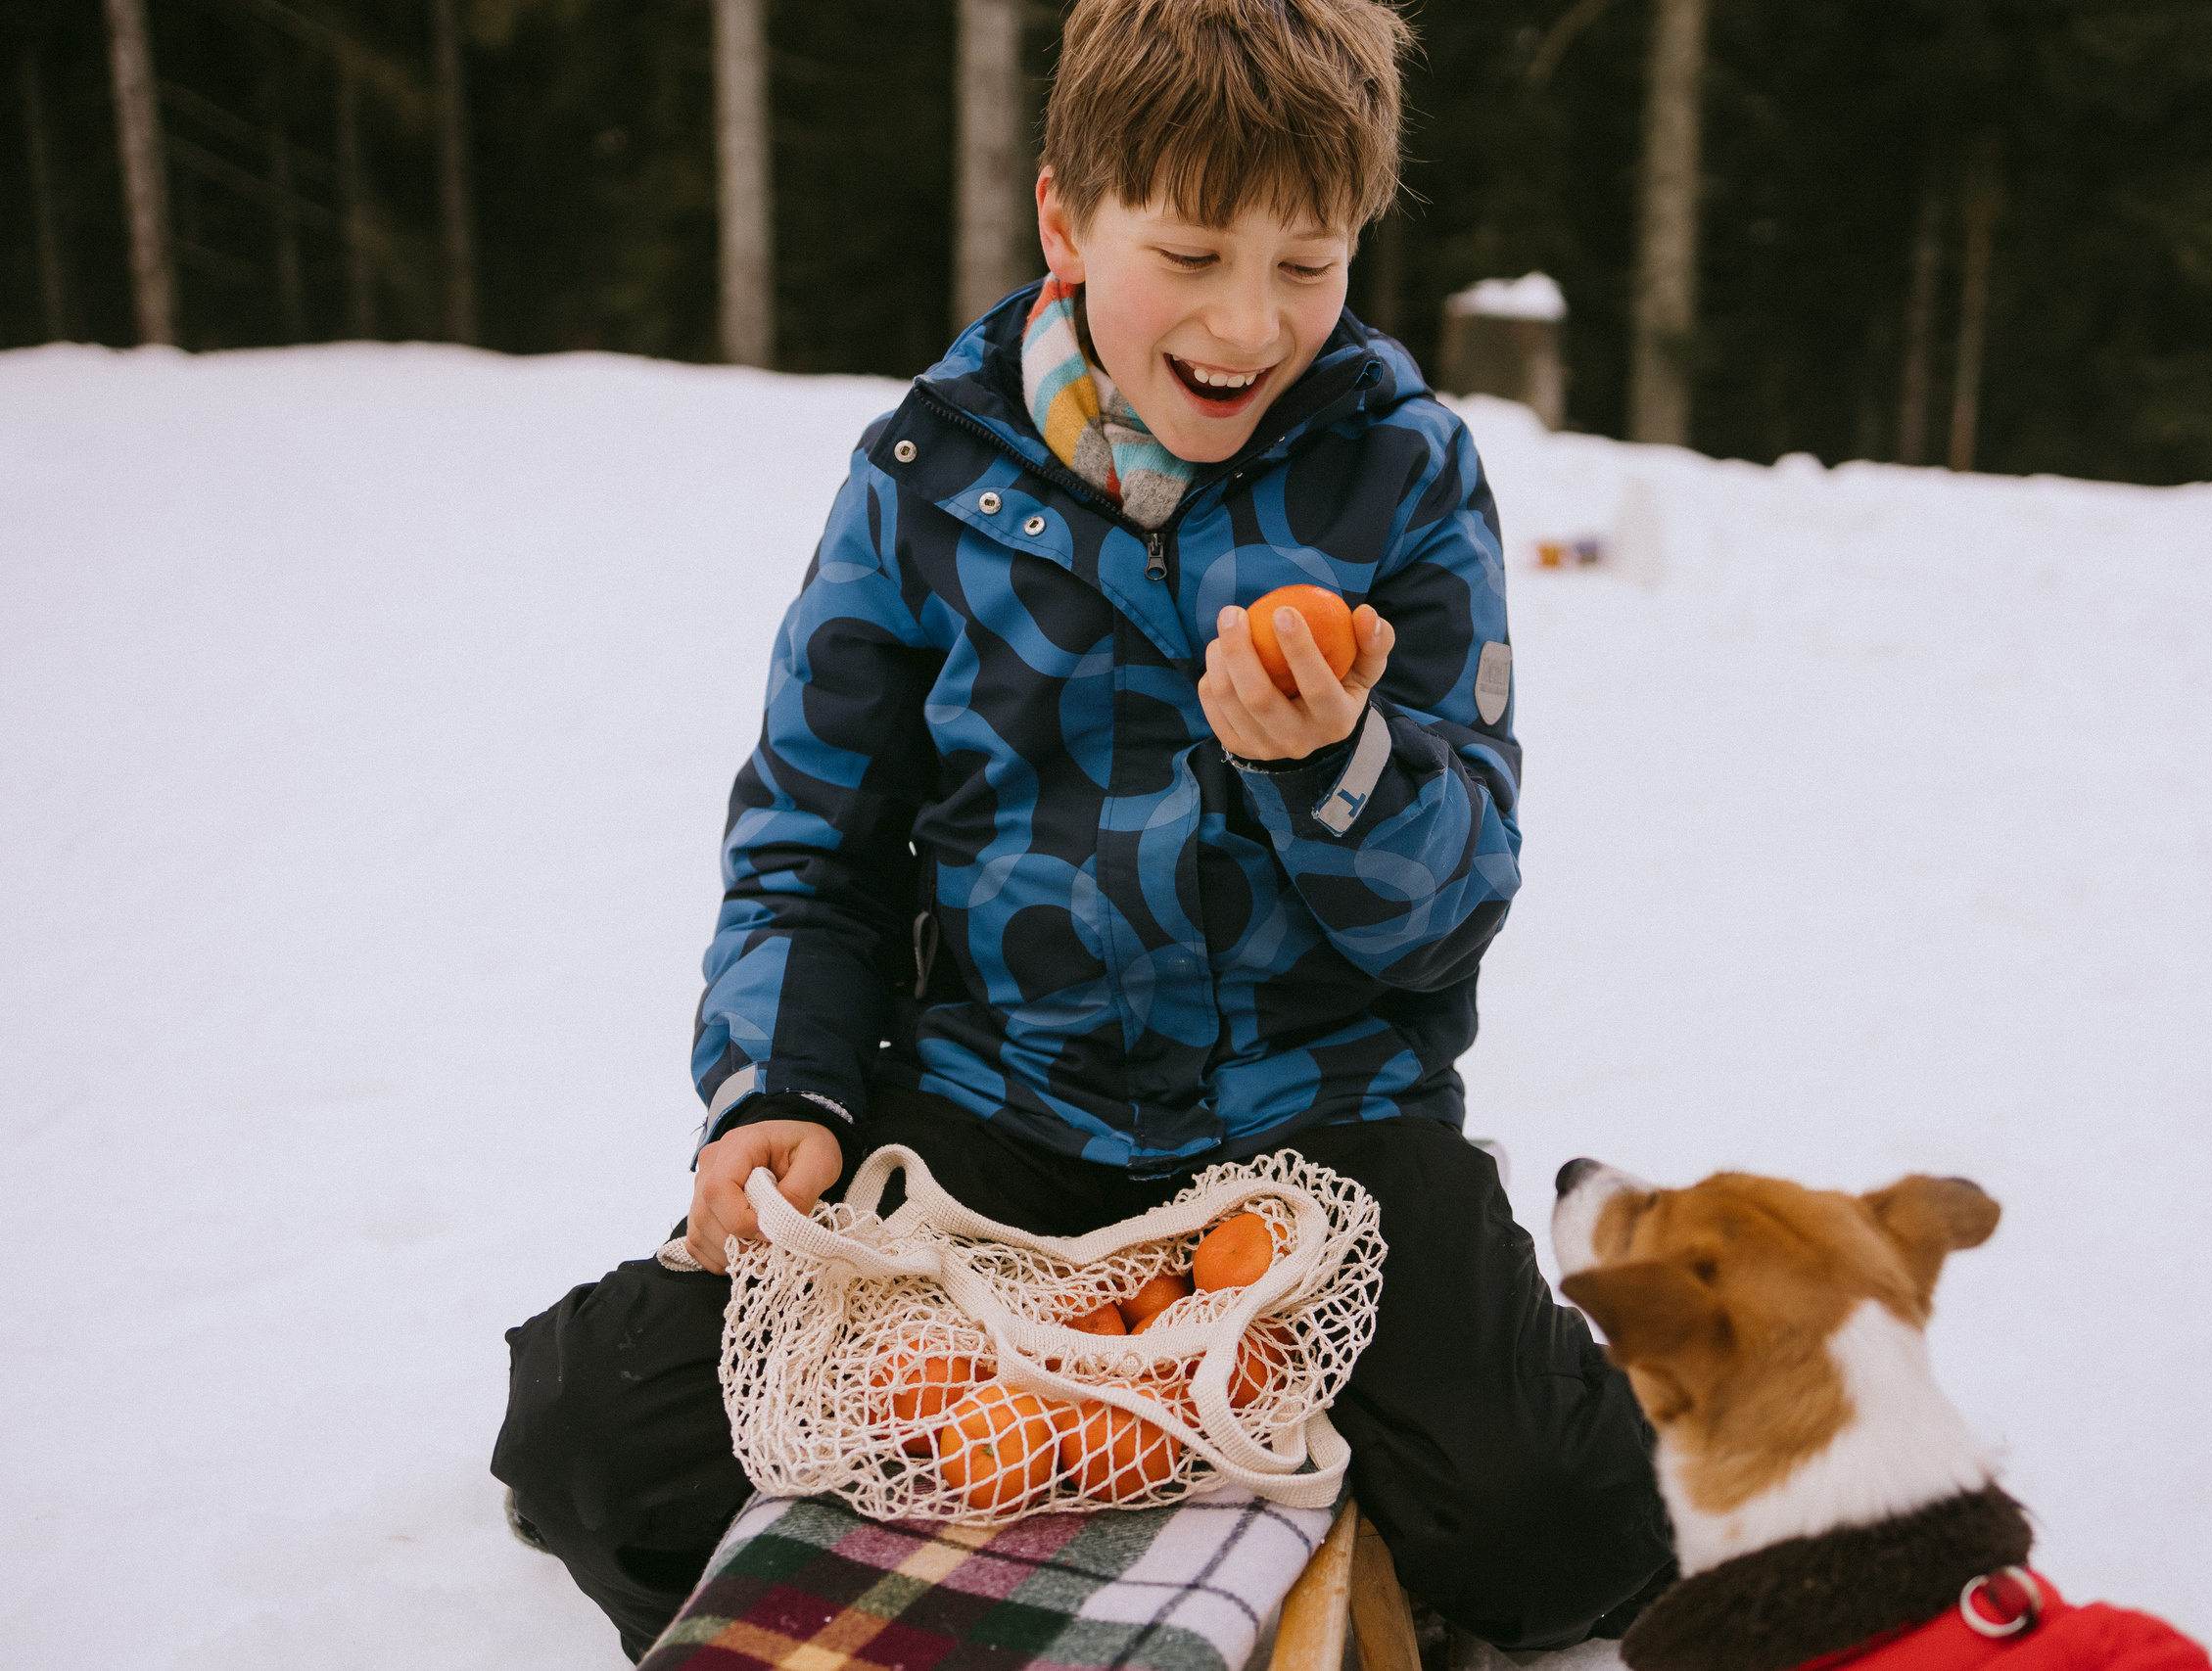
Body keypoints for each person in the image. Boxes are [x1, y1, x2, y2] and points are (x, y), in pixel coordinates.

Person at [492, 0, 1674, 1660]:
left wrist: (1337, 764)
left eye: (1308, 263)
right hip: (993, 1121)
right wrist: (781, 1092)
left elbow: (1450, 908)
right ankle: (1179, 1447)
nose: (1247, 321)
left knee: (1563, 1528)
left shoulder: (1402, 475)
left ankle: (1259, 1450)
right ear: (1065, 218)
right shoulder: (927, 476)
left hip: (1318, 1130)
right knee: (607, 1450)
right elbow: (809, 847)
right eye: (1188, 252)